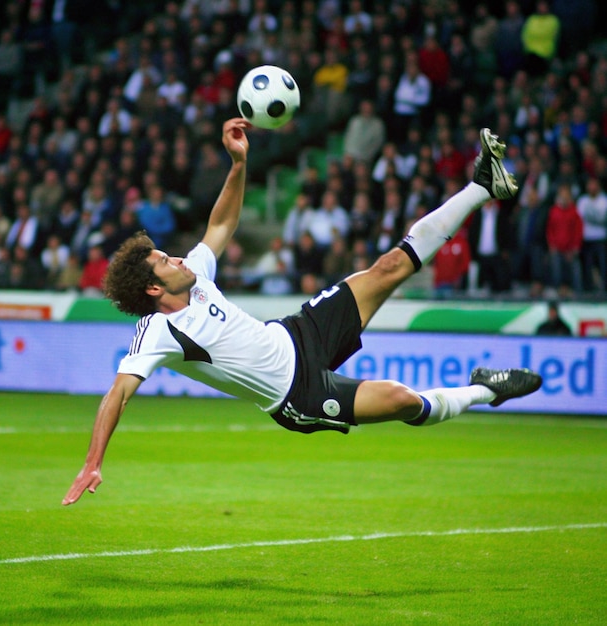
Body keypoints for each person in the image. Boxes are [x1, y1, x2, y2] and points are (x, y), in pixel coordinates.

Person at [63, 119, 542, 506]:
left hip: (298, 333)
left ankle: (483, 186)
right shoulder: (157, 332)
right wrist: (93, 460)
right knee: (400, 399)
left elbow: (223, 222)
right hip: (299, 395)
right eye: (164, 261)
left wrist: (238, 164)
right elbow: (117, 395)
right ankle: (485, 389)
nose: (177, 258)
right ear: (152, 287)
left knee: (390, 265)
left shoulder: (196, 275)